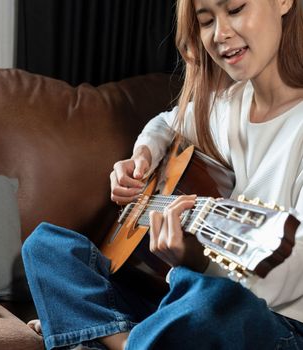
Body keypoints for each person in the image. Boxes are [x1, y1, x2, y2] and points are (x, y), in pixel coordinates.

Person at [21, 0, 303, 348]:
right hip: (183, 305)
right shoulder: (230, 105)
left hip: (274, 321)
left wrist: (196, 263)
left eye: (235, 9)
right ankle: (132, 338)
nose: (220, 34)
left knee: (212, 303)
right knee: (46, 246)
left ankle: (103, 334)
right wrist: (143, 156)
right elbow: (166, 124)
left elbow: (293, 276)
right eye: (205, 21)